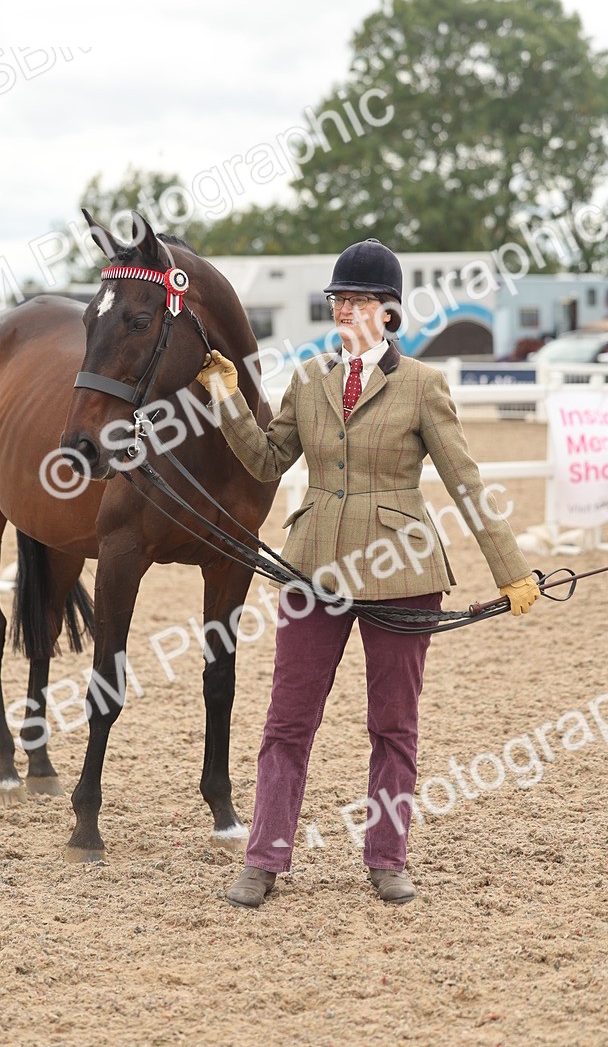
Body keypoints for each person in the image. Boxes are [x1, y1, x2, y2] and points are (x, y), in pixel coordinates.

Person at [196, 238, 540, 909]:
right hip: (315, 569)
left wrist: (511, 568)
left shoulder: (422, 386)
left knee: (393, 724)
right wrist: (230, 400)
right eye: (339, 300)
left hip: (401, 572)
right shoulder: (308, 379)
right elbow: (268, 462)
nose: (345, 311)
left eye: (358, 301)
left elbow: (465, 482)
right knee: (287, 722)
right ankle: (263, 859)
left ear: (388, 312)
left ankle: (387, 858)